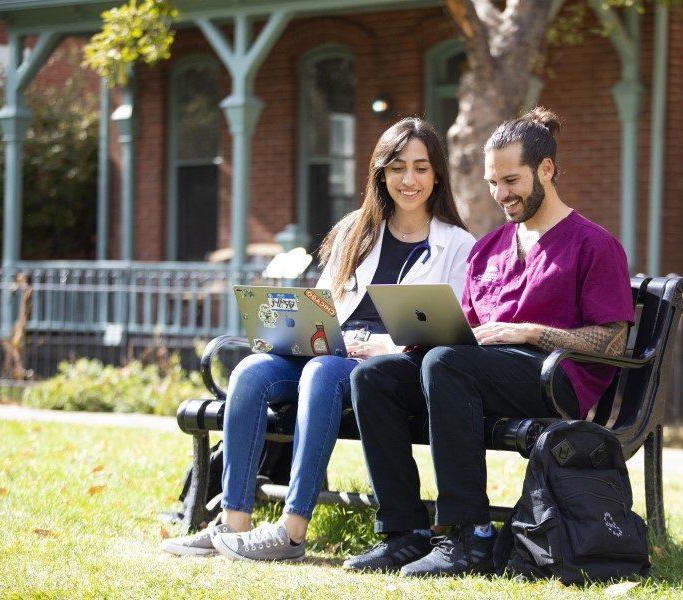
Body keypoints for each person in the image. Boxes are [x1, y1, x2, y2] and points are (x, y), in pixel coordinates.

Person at [161, 117, 475, 562]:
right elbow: (324, 303)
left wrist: (385, 344)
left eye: (421, 168)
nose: (409, 179)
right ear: (380, 173)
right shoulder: (356, 230)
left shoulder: (458, 246)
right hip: (330, 348)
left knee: (323, 372)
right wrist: (294, 328)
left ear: (437, 174)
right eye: (398, 167)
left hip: (386, 364)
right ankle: (233, 523)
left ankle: (292, 530)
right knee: (251, 371)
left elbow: (451, 328)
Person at [344, 107, 636, 577]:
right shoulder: (490, 247)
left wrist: (533, 331)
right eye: (493, 182)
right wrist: (417, 338)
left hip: (554, 378)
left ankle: (469, 538)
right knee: (376, 378)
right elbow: (466, 334)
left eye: (512, 181)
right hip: (478, 372)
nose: (501, 194)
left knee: (445, 365)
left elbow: (613, 343)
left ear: (546, 169)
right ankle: (405, 533)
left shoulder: (593, 245)